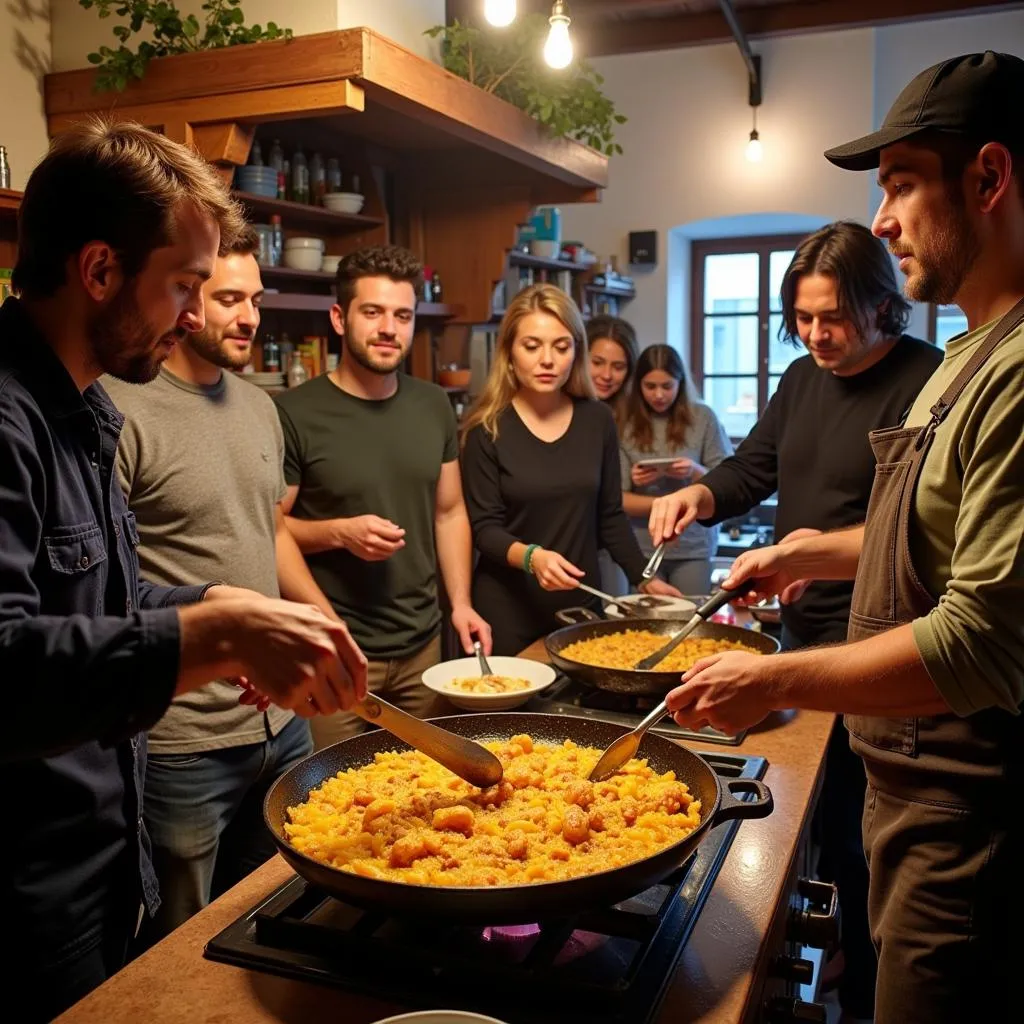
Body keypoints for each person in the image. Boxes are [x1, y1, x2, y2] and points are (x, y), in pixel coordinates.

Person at [652, 52, 1024, 1024]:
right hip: (906, 780)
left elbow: (978, 641)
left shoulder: (1002, 372)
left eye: (901, 184)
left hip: (959, 815)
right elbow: (919, 539)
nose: (886, 217)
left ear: (987, 179)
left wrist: (770, 680)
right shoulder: (969, 358)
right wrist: (795, 550)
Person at [0, 120, 365, 1022]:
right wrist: (216, 634)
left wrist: (214, 601)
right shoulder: (7, 421)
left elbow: (99, 594)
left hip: (99, 864)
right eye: (184, 287)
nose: (195, 316)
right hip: (28, 897)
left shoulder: (85, 413)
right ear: (99, 272)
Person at [651, 221, 941, 1022]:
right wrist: (701, 494)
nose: (816, 335)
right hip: (802, 634)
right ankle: (837, 939)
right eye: (803, 318)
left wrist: (810, 551)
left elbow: (921, 527)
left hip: (882, 645)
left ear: (883, 306)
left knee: (860, 830)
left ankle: (868, 979)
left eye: (833, 318)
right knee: (811, 815)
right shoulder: (802, 377)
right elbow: (753, 467)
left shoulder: (928, 379)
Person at [105, 227, 353, 942]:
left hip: (281, 721)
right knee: (186, 938)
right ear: (186, 302)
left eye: (256, 299)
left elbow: (267, 530)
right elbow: (112, 590)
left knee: (282, 909)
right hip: (186, 738)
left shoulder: (258, 406)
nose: (249, 317)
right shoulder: (122, 411)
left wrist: (319, 623)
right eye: (228, 299)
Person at [276, 245, 491, 749]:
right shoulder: (294, 413)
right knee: (336, 807)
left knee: (427, 796)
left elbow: (450, 510)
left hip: (423, 648)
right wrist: (338, 532)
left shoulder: (433, 404)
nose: (389, 328)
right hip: (336, 650)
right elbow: (271, 528)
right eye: (372, 312)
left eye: (402, 315)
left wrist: (461, 603)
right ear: (339, 317)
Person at [460, 284, 681, 656]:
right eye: (532, 346)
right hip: (507, 607)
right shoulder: (486, 427)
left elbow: (610, 515)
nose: (547, 360)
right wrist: (533, 557)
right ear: (509, 353)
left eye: (561, 347)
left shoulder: (597, 420)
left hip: (578, 604)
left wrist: (644, 578)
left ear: (576, 352)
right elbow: (484, 530)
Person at [620, 344, 733, 596]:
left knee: (690, 619)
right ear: (638, 385)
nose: (659, 395)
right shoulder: (624, 422)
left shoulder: (703, 417)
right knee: (643, 627)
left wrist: (694, 471)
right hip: (641, 547)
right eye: (650, 387)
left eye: (667, 386)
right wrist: (640, 484)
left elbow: (728, 480)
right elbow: (619, 499)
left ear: (680, 383)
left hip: (694, 544)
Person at [587, 315, 639, 596]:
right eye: (597, 363)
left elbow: (613, 508)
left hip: (617, 544)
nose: (606, 375)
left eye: (618, 367)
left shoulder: (633, 416)